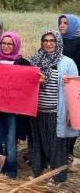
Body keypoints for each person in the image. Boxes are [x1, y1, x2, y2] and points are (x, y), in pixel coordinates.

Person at [28, 30, 79, 186]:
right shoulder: (35, 61)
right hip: (36, 111)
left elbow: (75, 91)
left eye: (52, 40)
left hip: (56, 112)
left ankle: (58, 178)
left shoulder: (67, 63)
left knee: (56, 146)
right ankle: (39, 172)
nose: (48, 43)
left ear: (58, 43)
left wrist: (72, 113)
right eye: (45, 40)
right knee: (37, 143)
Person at [0, 31, 31, 178]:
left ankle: (10, 170)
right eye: (3, 43)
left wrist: (38, 80)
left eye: (10, 44)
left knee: (11, 140)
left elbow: (29, 83)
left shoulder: (24, 63)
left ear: (15, 45)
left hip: (13, 110)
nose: (6, 46)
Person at [58, 14, 80, 163]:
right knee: (61, 116)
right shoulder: (57, 40)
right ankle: (60, 150)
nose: (62, 25)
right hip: (59, 84)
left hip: (75, 85)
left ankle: (69, 152)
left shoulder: (78, 42)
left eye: (65, 23)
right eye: (60, 22)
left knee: (73, 118)